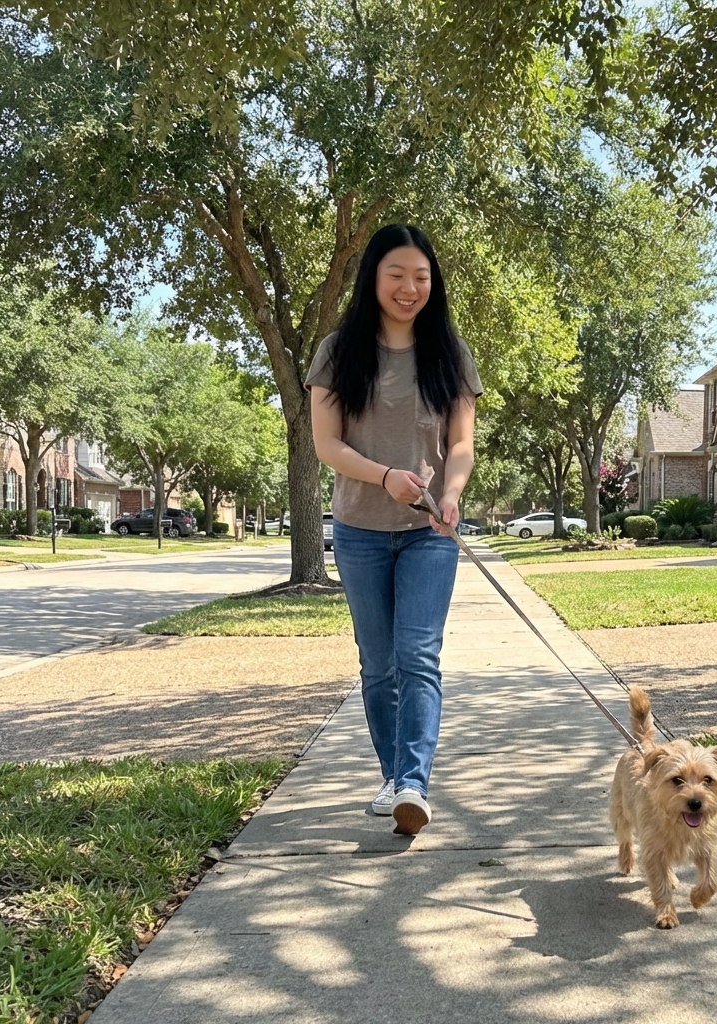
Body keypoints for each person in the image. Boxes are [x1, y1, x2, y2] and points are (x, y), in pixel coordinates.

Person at [306, 223, 482, 836]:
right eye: (397, 275)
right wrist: (384, 477)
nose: (410, 288)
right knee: (378, 663)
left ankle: (413, 782)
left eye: (421, 277)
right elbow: (326, 444)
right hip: (358, 528)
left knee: (418, 656)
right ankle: (393, 778)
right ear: (374, 279)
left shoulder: (451, 354)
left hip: (430, 532)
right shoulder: (337, 350)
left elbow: (460, 442)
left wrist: (451, 492)